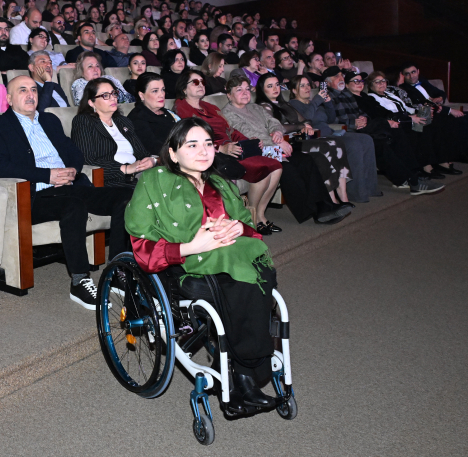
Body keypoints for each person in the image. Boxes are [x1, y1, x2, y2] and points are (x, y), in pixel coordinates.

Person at [125, 117, 278, 409]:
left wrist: (237, 227)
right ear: (172, 153)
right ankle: (247, 371)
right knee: (242, 284)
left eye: (208, 144)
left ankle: (244, 372)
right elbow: (142, 245)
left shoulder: (219, 181)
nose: (203, 151)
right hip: (184, 266)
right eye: (192, 144)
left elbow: (247, 223)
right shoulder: (154, 181)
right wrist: (190, 246)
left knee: (256, 270)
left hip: (234, 255)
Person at [0, 75, 132, 308]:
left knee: (126, 197)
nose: (30, 94)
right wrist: (47, 175)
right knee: (73, 206)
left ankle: (117, 269)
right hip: (37, 196)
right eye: (22, 90)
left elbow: (73, 151)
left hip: (71, 186)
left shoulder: (49, 121)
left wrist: (72, 170)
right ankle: (79, 280)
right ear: (9, 99)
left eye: (33, 89)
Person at [222, 74, 352, 226]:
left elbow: (273, 122)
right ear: (229, 95)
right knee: (288, 168)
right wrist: (277, 143)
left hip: (273, 146)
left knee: (307, 159)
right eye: (239, 90)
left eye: (247, 89)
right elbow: (248, 134)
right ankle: (314, 211)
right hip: (257, 150)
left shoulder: (255, 107)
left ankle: (325, 206)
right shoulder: (228, 113)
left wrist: (277, 132)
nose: (245, 93)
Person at [174, 70, 284, 234]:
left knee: (275, 166)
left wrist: (250, 140)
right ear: (184, 88)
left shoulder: (210, 107)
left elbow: (229, 129)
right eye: (195, 82)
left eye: (203, 82)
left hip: (232, 147)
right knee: (261, 168)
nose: (201, 85)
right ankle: (250, 217)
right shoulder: (182, 107)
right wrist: (220, 148)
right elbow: (193, 136)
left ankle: (259, 215)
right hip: (213, 152)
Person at [324, 66, 443, 195]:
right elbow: (328, 121)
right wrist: (353, 123)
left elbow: (363, 113)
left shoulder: (347, 95)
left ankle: (413, 174)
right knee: (381, 141)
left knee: (395, 133)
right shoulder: (327, 97)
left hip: (364, 127)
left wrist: (364, 118)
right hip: (349, 132)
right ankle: (413, 181)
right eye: (337, 77)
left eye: (341, 75)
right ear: (328, 82)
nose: (341, 78)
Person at [255, 73, 354, 207]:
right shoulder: (264, 106)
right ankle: (332, 200)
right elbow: (276, 127)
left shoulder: (284, 103)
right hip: (287, 143)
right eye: (270, 86)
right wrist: (300, 126)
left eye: (277, 84)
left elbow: (304, 119)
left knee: (337, 143)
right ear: (262, 89)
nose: (275, 88)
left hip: (299, 139)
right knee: (326, 147)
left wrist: (306, 126)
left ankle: (344, 197)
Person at [288, 74, 381, 203]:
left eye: (308, 85)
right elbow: (305, 118)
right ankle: (355, 192)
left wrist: (328, 103)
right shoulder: (293, 104)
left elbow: (330, 119)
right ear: (293, 90)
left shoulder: (314, 102)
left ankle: (369, 187)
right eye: (302, 86)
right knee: (354, 145)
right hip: (319, 138)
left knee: (367, 139)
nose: (307, 88)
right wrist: (317, 100)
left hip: (331, 132)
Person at [358, 71, 456, 179]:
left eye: (383, 81)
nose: (381, 84)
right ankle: (425, 166)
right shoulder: (372, 98)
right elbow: (388, 115)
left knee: (436, 124)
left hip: (407, 118)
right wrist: (411, 117)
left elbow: (406, 108)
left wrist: (418, 112)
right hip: (399, 122)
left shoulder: (389, 94)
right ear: (371, 85)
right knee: (424, 129)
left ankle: (441, 161)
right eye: (377, 82)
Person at [71, 77, 155, 188]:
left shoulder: (123, 121)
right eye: (105, 95)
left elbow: (142, 153)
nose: (113, 98)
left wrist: (151, 161)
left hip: (138, 175)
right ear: (91, 102)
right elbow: (87, 159)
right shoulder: (83, 121)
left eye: (114, 93)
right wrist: (125, 168)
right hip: (112, 181)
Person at [399, 63, 468, 164]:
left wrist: (440, 98)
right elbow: (423, 105)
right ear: (403, 75)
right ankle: (460, 154)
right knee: (457, 121)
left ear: (418, 71)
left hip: (437, 109)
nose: (411, 76)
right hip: (428, 113)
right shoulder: (405, 89)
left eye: (413, 72)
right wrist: (449, 110)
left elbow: (440, 93)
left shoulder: (423, 81)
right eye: (407, 74)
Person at [127, 72, 182, 156]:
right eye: (155, 91)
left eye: (163, 89)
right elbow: (155, 148)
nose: (161, 95)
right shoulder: (137, 118)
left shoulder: (167, 112)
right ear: (141, 95)